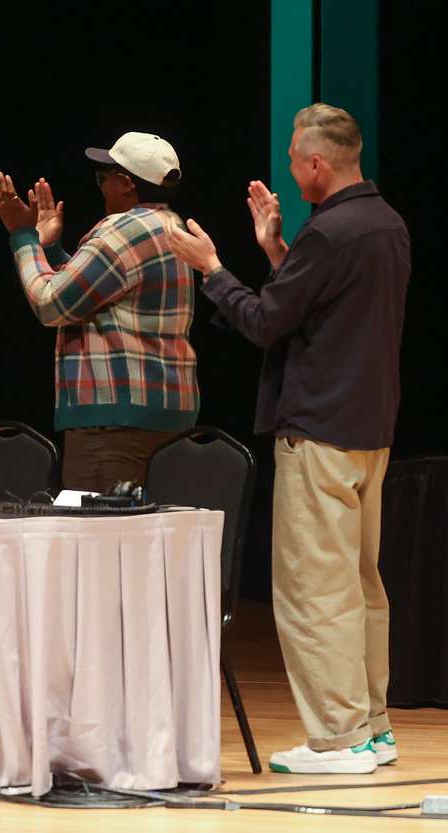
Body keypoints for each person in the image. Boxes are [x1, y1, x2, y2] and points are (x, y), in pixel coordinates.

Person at [168, 103, 410, 775]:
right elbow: (322, 310)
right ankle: (373, 726)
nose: (287, 169)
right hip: (370, 432)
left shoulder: (331, 233)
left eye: (292, 159)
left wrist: (212, 268)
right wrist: (277, 249)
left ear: (315, 163)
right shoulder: (385, 224)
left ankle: (340, 737)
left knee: (313, 589)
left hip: (320, 431)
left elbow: (268, 322)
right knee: (361, 583)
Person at [0, 132, 199, 491]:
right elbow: (97, 291)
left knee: (98, 541)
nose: (101, 187)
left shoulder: (122, 230)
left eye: (104, 178)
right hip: (166, 416)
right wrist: (52, 250)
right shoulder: (170, 225)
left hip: (114, 426)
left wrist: (23, 236)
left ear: (127, 184)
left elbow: (49, 303)